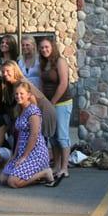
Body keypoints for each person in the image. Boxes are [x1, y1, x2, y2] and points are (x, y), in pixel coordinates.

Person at [0, 82, 58, 188]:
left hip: (35, 153)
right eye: (16, 94)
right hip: (22, 152)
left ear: (28, 95)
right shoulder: (20, 110)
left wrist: (24, 157)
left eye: (21, 93)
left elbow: (34, 135)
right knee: (3, 179)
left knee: (12, 182)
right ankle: (35, 178)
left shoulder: (33, 111)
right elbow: (20, 136)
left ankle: (45, 173)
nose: (18, 96)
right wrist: (15, 154)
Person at [39, 38, 72, 178]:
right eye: (41, 48)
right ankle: (57, 165)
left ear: (52, 47)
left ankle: (65, 168)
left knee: (62, 136)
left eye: (46, 47)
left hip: (61, 103)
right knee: (52, 136)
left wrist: (52, 101)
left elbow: (63, 84)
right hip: (49, 104)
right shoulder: (44, 63)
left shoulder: (60, 61)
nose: (44, 50)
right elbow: (42, 84)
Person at [1, 60, 56, 140]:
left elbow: (33, 102)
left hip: (43, 111)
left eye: (8, 71)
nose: (5, 74)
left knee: (42, 141)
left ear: (15, 71)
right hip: (38, 112)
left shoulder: (21, 83)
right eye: (3, 71)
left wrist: (32, 120)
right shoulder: (13, 84)